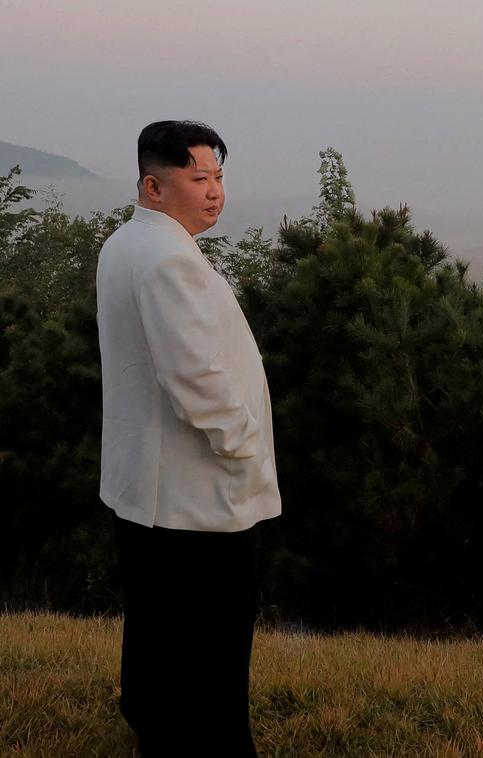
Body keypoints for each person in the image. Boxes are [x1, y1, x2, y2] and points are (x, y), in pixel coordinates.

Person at [96, 120, 281, 756]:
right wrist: (244, 447)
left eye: (219, 177)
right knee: (212, 642)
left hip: (144, 486)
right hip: (191, 493)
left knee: (157, 626)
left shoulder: (126, 244)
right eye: (197, 178)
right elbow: (194, 375)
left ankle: (155, 725)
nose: (213, 192)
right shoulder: (169, 259)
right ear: (153, 185)